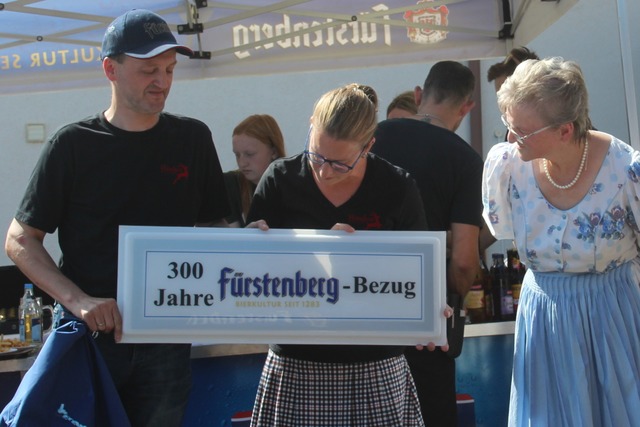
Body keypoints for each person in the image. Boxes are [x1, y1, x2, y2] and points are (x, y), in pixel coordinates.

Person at [4, 9, 231, 426]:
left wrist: (254, 244)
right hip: (88, 340)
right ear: (110, 69)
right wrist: (79, 302)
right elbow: (20, 239)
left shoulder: (193, 138)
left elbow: (218, 229)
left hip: (165, 340)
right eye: (148, 70)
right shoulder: (73, 144)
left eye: (169, 69)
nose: (162, 81)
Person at [246, 83, 449, 427]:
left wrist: (430, 307)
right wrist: (247, 248)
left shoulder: (397, 187)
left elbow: (420, 276)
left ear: (368, 146)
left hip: (375, 366)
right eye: (315, 155)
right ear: (311, 124)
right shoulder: (280, 179)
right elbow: (254, 278)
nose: (324, 171)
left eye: (340, 164)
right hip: (297, 363)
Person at [483, 57, 640, 426]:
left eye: (521, 131)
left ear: (565, 131)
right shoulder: (509, 166)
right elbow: (500, 227)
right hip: (545, 319)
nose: (510, 138)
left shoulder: (625, 170)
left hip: (612, 316)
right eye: (508, 125)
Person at [372, 61, 483, 426]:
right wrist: (452, 298)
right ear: (466, 107)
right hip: (428, 324)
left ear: (419, 95)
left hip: (365, 311)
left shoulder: (373, 136)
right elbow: (465, 260)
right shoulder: (465, 160)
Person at [224, 114, 286, 227]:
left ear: (274, 152)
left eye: (249, 154)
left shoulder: (293, 186)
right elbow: (231, 240)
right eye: (237, 155)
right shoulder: (230, 184)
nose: (242, 163)